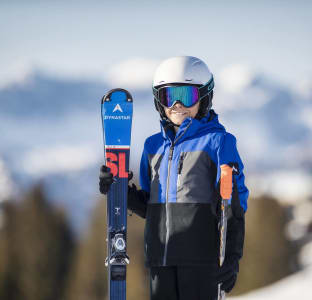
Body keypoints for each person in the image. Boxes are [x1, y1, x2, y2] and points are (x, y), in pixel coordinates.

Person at [99, 56, 249, 300]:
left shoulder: (218, 142)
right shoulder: (153, 146)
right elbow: (151, 206)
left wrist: (232, 256)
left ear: (204, 96)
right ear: (159, 100)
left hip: (202, 262)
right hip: (160, 261)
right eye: (169, 96)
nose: (177, 104)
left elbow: (233, 203)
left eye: (186, 96)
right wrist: (119, 191)